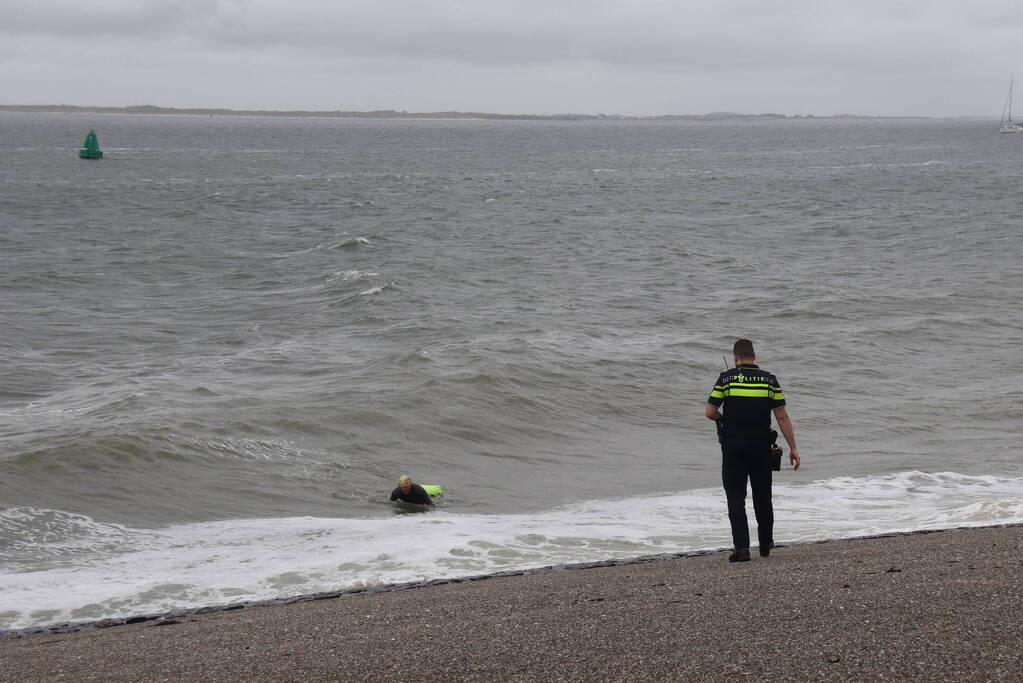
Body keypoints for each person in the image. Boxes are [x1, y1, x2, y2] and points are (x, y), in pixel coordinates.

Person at [705, 339, 800, 562]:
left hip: (733, 447)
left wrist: (724, 419)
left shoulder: (726, 379)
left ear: (736, 358)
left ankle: (742, 549)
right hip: (761, 447)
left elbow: (709, 412)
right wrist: (793, 447)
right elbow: (782, 416)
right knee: (762, 495)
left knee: (736, 497)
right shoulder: (769, 380)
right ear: (754, 357)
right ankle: (766, 544)